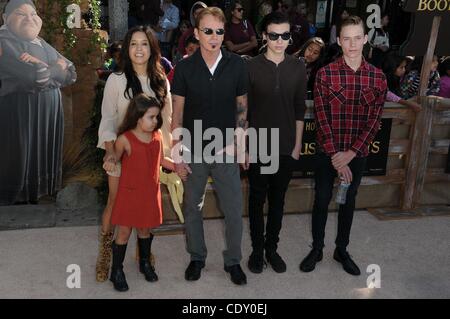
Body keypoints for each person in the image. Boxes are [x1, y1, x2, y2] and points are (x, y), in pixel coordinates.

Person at [300, 16, 387, 276]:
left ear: (365, 39)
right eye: (346, 38)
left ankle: (342, 249)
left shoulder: (378, 78)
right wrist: (336, 155)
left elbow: (374, 122)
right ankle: (317, 248)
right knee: (322, 198)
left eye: (357, 38)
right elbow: (322, 117)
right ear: (339, 41)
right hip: (327, 150)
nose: (352, 44)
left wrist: (349, 155)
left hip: (356, 153)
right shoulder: (324, 74)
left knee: (348, 200)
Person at [171, 6, 249, 285]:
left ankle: (233, 261)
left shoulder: (238, 65)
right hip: (193, 147)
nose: (214, 37)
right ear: (196, 33)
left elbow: (242, 109)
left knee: (233, 209)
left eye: (219, 31)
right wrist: (177, 153)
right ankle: (197, 257)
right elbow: (176, 114)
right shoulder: (184, 68)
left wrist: (242, 145)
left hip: (226, 148)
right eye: (207, 31)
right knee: (193, 206)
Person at [95, 26, 173, 283]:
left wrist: (167, 158)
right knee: (116, 205)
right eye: (133, 44)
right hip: (120, 152)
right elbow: (107, 119)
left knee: (146, 207)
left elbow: (167, 121)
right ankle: (106, 253)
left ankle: (143, 255)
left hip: (149, 154)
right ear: (127, 49)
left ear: (152, 49)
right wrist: (110, 155)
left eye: (144, 44)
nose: (139, 49)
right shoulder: (117, 79)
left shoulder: (161, 80)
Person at [246, 11, 306, 274]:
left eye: (284, 35)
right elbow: (243, 111)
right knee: (257, 201)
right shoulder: (251, 67)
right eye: (274, 35)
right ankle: (257, 251)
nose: (280, 40)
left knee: (278, 201)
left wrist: (297, 146)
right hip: (258, 145)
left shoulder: (298, 67)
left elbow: (300, 109)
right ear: (264, 36)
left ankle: (272, 249)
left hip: (285, 146)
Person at [0, 0, 77, 205]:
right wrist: (54, 68)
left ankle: (41, 191)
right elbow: (32, 78)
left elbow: (71, 72)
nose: (29, 19)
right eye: (21, 14)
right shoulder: (3, 42)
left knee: (42, 154)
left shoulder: (40, 43)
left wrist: (44, 67)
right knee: (20, 154)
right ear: (6, 19)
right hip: (17, 111)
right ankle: (16, 196)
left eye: (33, 14)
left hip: (48, 112)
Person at [103, 94, 181, 292]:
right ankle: (117, 270)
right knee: (124, 231)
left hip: (149, 193)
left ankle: (145, 263)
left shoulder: (156, 137)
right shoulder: (125, 139)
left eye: (157, 117)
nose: (156, 121)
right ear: (138, 117)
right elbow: (114, 158)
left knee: (145, 229)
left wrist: (178, 167)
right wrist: (110, 160)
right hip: (130, 194)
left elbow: (161, 160)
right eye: (151, 117)